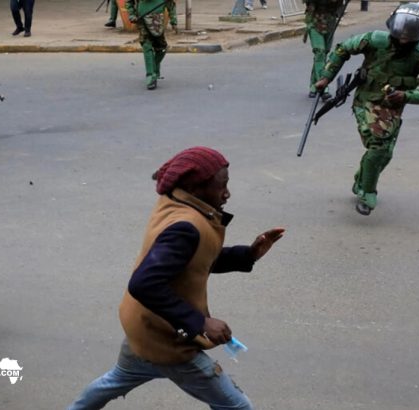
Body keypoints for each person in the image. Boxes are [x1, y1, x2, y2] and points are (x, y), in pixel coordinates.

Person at [68, 147, 286, 410]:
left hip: (142, 326)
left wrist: (248, 255)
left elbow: (192, 261)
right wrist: (201, 321)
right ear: (196, 189)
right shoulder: (186, 226)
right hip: (167, 339)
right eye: (222, 186)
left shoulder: (176, 203)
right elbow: (144, 283)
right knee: (237, 406)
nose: (227, 193)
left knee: (115, 380)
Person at [314, 3, 419, 215]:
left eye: (410, 34)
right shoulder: (374, 39)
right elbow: (343, 49)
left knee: (386, 154)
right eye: (401, 32)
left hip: (393, 107)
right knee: (379, 146)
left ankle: (361, 179)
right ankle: (367, 193)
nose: (404, 39)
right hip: (366, 100)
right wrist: (326, 77)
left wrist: (406, 95)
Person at [126, 0, 177, 90]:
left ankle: (154, 68)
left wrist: (174, 21)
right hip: (142, 21)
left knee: (161, 48)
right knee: (146, 46)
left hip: (157, 21)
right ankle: (150, 76)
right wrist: (132, 14)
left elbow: (171, 5)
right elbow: (129, 2)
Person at [303, 0, 343, 100]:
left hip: (330, 21)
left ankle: (313, 85)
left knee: (323, 54)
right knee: (320, 52)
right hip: (315, 21)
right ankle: (323, 87)